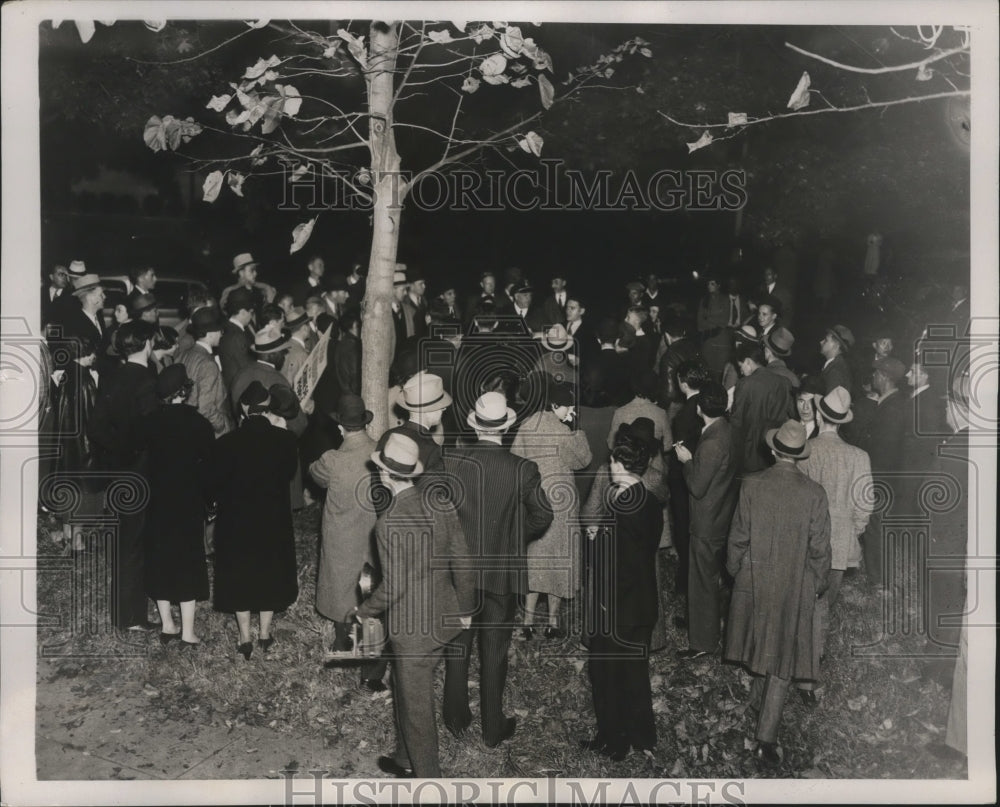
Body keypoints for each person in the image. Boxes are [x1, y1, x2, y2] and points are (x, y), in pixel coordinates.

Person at [354, 432, 475, 779]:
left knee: (417, 709)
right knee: (410, 695)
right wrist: (464, 610)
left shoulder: (388, 523)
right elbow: (462, 560)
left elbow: (393, 586)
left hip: (413, 629)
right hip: (446, 617)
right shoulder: (440, 503)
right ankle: (405, 759)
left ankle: (429, 783)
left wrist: (363, 612)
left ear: (383, 474)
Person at [442, 392, 553, 745]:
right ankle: (492, 727)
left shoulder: (452, 461)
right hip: (501, 575)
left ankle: (455, 718)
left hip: (459, 572)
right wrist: (511, 536)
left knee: (457, 648)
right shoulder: (523, 469)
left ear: (475, 425)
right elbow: (544, 515)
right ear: (507, 427)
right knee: (494, 650)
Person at [725, 419, 831, 766]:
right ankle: (765, 738)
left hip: (756, 578)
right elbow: (820, 549)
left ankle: (758, 704)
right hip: (794, 582)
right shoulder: (815, 493)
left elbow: (738, 536)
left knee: (761, 639)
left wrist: (736, 571)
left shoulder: (752, 484)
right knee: (783, 654)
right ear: (800, 455)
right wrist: (815, 584)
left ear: (772, 450)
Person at [580, 424, 663, 761]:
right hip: (642, 603)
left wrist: (595, 539)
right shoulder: (650, 501)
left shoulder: (619, 508)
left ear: (618, 464)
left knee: (605, 673)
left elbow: (613, 566)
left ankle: (613, 741)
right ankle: (643, 735)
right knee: (634, 672)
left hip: (617, 607)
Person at [212, 381, 299, 660]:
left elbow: (216, 484)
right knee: (269, 571)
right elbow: (288, 475)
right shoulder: (285, 441)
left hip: (237, 520)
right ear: (267, 408)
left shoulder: (226, 443)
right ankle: (264, 633)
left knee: (241, 575)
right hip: (272, 518)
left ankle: (244, 637)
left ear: (245, 409)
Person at [797, 386, 873, 698]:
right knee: (824, 605)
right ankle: (810, 671)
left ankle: (803, 668)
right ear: (841, 422)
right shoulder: (859, 456)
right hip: (840, 544)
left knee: (806, 603)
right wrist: (852, 531)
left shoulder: (806, 449)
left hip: (807, 540)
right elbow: (865, 504)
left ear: (819, 415)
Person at [309, 394, 387, 690]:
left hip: (342, 535)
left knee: (341, 587)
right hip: (373, 534)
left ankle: (343, 641)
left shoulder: (333, 459)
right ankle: (371, 670)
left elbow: (315, 476)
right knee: (371, 592)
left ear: (340, 427)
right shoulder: (380, 450)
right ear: (366, 422)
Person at [87, 320, 160, 631]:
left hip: (118, 471)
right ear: (146, 345)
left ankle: (122, 614)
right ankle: (134, 618)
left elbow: (96, 426)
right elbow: (151, 431)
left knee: (123, 542)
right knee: (137, 545)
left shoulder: (113, 376)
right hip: (141, 471)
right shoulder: (147, 381)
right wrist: (135, 454)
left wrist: (117, 454)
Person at [139, 364, 215, 646]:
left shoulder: (149, 422)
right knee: (187, 561)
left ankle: (167, 625)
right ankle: (188, 632)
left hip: (156, 500)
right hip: (187, 501)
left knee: (160, 559)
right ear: (186, 390)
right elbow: (210, 468)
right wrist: (210, 500)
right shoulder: (199, 424)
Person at [511, 378, 592, 638]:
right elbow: (583, 461)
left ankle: (526, 623)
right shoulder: (563, 431)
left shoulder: (527, 424)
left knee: (534, 561)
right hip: (561, 501)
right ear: (555, 405)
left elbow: (516, 459)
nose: (571, 412)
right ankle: (553, 623)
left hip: (534, 500)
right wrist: (576, 430)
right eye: (568, 407)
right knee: (559, 560)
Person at [674, 381, 738, 659]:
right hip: (722, 512)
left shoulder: (712, 441)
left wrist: (686, 460)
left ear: (700, 408)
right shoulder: (727, 429)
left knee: (702, 580)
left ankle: (701, 642)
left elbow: (697, 486)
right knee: (711, 576)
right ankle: (702, 623)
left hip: (706, 519)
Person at [856, 356, 907, 585]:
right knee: (877, 528)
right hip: (884, 477)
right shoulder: (890, 403)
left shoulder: (892, 407)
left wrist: (873, 482)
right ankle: (879, 577)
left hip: (881, 478)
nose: (873, 376)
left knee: (877, 528)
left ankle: (879, 580)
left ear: (885, 377)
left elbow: (885, 450)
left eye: (876, 373)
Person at [667, 360, 709, 618]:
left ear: (683, 384)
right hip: (703, 475)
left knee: (684, 529)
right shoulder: (706, 405)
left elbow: (680, 452)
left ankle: (684, 580)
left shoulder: (684, 414)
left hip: (686, 477)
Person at [729, 341, 796, 475]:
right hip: (776, 453)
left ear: (748, 362)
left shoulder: (745, 384)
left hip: (749, 457)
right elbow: (792, 416)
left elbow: (736, 424)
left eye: (740, 366)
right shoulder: (784, 383)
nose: (741, 372)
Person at [180, 307, 234, 437]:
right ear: (210, 333)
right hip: (211, 432)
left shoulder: (185, 355)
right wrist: (222, 426)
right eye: (219, 330)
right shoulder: (208, 363)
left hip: (189, 427)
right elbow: (205, 408)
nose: (221, 333)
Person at [219, 287, 256, 392]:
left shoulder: (225, 327)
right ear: (243, 312)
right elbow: (246, 369)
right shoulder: (237, 335)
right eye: (251, 312)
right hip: (238, 389)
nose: (251, 317)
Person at [819, 325, 854, 394]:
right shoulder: (835, 365)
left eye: (826, 340)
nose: (821, 342)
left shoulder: (836, 371)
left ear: (836, 345)